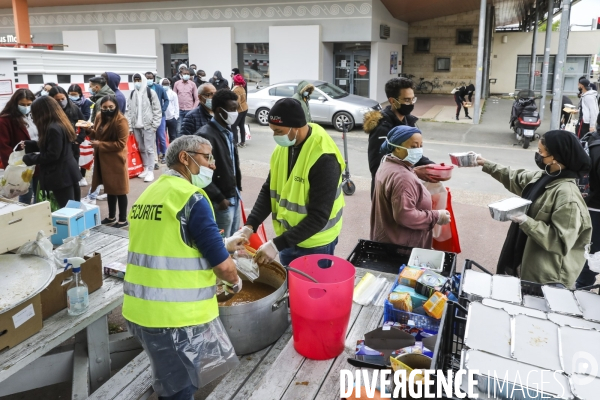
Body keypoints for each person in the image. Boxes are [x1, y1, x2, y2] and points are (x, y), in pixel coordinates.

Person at [122, 135, 245, 400]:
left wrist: (223, 242)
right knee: (181, 388)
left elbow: (168, 243)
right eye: (207, 157)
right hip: (174, 318)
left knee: (170, 376)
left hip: (138, 309)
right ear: (185, 158)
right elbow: (224, 268)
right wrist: (235, 282)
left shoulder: (149, 193)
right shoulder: (192, 199)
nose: (213, 165)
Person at [235, 98, 345, 266]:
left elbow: (319, 217)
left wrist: (276, 245)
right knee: (290, 288)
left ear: (296, 127)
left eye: (278, 131)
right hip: (288, 239)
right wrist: (251, 225)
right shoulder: (283, 148)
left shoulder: (324, 158)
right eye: (273, 131)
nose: (275, 136)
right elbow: (268, 190)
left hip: (316, 243)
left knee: (311, 290)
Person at [477, 130, 592, 288]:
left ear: (555, 157)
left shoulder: (568, 197)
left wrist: (525, 221)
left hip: (546, 278)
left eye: (541, 152)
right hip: (523, 259)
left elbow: (559, 241)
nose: (538, 155)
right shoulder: (545, 177)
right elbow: (515, 177)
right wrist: (484, 163)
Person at [371, 126, 451, 248]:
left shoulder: (387, 164)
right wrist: (436, 216)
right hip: (401, 247)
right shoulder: (403, 178)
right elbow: (405, 216)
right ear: (397, 148)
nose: (418, 150)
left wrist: (413, 172)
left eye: (420, 146)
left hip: (387, 240)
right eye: (413, 147)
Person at [363, 77, 437, 197]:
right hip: (387, 192)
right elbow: (378, 167)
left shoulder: (409, 121)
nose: (411, 103)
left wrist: (433, 167)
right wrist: (415, 172)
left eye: (413, 99)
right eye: (407, 100)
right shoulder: (382, 128)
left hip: (406, 187)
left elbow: (414, 154)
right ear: (392, 101)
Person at [196, 89, 242, 237]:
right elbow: (199, 171)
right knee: (221, 243)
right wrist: (219, 197)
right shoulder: (205, 135)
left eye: (237, 108)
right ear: (218, 111)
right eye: (232, 109)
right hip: (221, 201)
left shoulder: (228, 132)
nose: (236, 113)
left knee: (233, 240)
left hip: (233, 195)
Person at [22, 96, 82, 208]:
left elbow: (52, 155)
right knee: (74, 207)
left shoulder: (52, 128)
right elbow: (54, 146)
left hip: (61, 175)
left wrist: (29, 158)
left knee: (67, 210)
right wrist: (30, 144)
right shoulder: (61, 123)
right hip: (69, 172)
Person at [87, 95, 130, 228]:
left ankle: (122, 220)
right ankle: (111, 216)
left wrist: (100, 145)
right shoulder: (99, 116)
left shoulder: (121, 121)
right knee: (109, 189)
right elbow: (97, 133)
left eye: (111, 107)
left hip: (116, 160)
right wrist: (88, 130)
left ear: (116, 106)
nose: (108, 110)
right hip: (103, 159)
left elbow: (121, 144)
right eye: (105, 107)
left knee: (120, 190)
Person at [0, 88, 38, 204]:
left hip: (39, 159)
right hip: (22, 163)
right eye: (22, 104)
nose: (26, 107)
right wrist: (13, 164)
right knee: (25, 192)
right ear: (15, 103)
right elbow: (3, 145)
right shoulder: (5, 120)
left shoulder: (35, 115)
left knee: (39, 190)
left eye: (29, 104)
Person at [126, 73, 162, 183]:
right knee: (141, 148)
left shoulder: (151, 93)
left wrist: (155, 125)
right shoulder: (132, 94)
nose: (137, 82)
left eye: (139, 80)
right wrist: (130, 126)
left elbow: (157, 109)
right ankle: (146, 167)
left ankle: (151, 171)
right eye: (135, 80)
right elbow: (129, 111)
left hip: (148, 126)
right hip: (136, 126)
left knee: (149, 149)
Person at [48, 86, 87, 186]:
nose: (61, 102)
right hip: (56, 147)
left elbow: (84, 125)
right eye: (57, 100)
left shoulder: (74, 108)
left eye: (63, 99)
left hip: (73, 145)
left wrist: (79, 139)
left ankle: (75, 193)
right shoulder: (48, 112)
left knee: (73, 173)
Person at [146, 71, 170, 165]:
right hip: (148, 117)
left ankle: (164, 154)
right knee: (152, 137)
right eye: (147, 78)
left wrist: (162, 109)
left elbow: (166, 100)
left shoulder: (159, 88)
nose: (149, 80)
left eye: (150, 78)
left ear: (154, 78)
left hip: (160, 116)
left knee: (161, 136)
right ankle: (156, 155)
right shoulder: (144, 89)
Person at [173, 67, 199, 136]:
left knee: (189, 128)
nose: (186, 75)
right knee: (179, 129)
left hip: (189, 110)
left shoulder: (192, 84)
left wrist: (193, 109)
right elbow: (174, 97)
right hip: (179, 110)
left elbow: (197, 98)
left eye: (188, 74)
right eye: (185, 74)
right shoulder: (177, 84)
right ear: (181, 74)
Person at [231, 74, 248, 148]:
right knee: (241, 125)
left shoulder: (236, 89)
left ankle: (235, 142)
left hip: (239, 110)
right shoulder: (242, 87)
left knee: (233, 126)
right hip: (245, 108)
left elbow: (237, 102)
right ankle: (243, 142)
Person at [161, 78, 180, 143]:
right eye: (164, 84)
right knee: (163, 136)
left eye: (167, 84)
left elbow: (176, 105)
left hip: (172, 118)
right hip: (163, 118)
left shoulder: (173, 94)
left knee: (173, 136)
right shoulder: (160, 93)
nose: (165, 85)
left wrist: (176, 116)